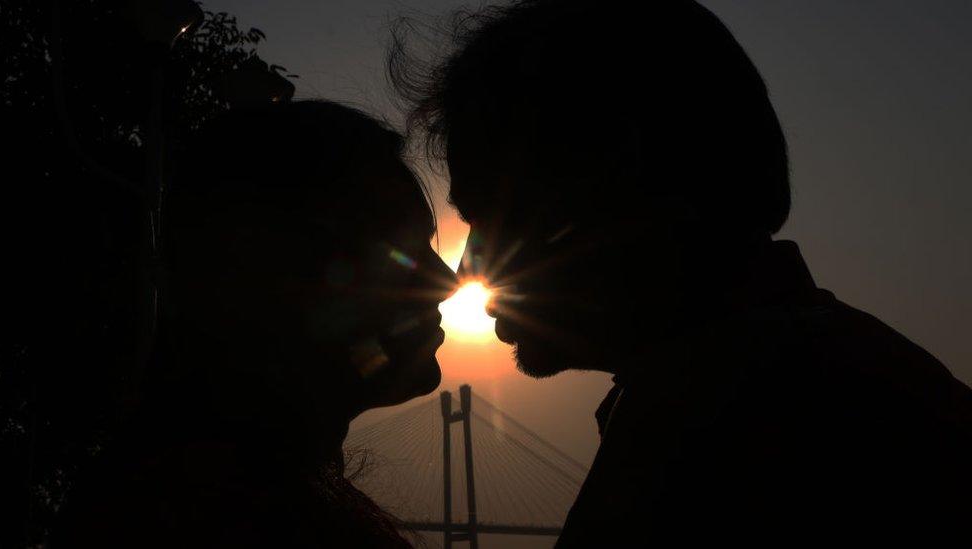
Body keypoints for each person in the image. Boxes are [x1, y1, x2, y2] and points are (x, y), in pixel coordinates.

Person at [389, 0, 972, 545]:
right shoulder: (834, 380)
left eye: (490, 218)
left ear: (612, 176)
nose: (467, 270)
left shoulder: (749, 437)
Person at [52, 100, 456, 548]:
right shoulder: (214, 516)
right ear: (284, 275)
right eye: (402, 252)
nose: (446, 282)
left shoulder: (159, 488)